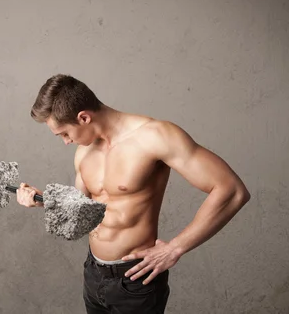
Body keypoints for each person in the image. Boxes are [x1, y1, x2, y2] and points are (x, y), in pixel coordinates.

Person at [15, 74, 250, 314]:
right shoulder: (84, 151)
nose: (65, 142)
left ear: (83, 117)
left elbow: (231, 190)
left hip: (136, 280)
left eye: (64, 133)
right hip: (94, 274)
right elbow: (82, 209)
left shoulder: (155, 136)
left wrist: (175, 248)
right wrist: (43, 200)